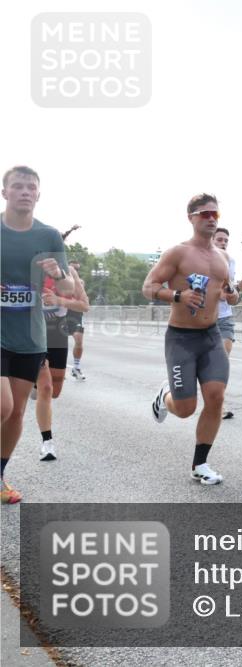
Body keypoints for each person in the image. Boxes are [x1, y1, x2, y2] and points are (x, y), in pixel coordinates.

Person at [142, 193, 240, 485]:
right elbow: (148, 287)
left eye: (216, 215)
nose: (211, 218)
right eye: (205, 214)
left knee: (216, 397)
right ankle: (165, 396)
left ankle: (200, 464)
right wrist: (177, 295)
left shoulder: (223, 257)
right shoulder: (178, 253)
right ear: (192, 218)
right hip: (181, 338)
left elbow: (228, 292)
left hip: (211, 336)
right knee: (185, 409)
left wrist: (233, 296)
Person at [1, 166, 74, 503]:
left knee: (15, 411)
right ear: (5, 192)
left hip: (30, 336)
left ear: (39, 194)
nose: (25, 192)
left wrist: (58, 273)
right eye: (18, 186)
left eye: (31, 187)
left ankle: (0, 477)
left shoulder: (48, 236)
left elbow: (68, 286)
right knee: (2, 406)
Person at [35, 262, 89, 461]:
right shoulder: (28, 268)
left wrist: (58, 299)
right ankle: (47, 443)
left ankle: (33, 385)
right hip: (33, 334)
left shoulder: (69, 272)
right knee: (46, 388)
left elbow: (84, 305)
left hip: (57, 335)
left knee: (54, 391)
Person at [212, 227, 242, 420]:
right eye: (219, 239)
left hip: (225, 319)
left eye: (226, 240)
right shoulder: (201, 261)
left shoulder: (231, 262)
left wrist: (238, 290)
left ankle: (219, 405)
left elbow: (231, 298)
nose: (223, 242)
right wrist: (223, 293)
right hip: (204, 320)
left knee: (221, 363)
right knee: (204, 366)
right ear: (211, 240)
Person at [65, 260, 88, 380]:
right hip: (62, 314)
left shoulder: (80, 282)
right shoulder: (61, 280)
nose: (75, 271)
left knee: (79, 340)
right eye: (73, 268)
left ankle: (76, 367)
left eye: (77, 269)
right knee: (55, 344)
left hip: (76, 315)